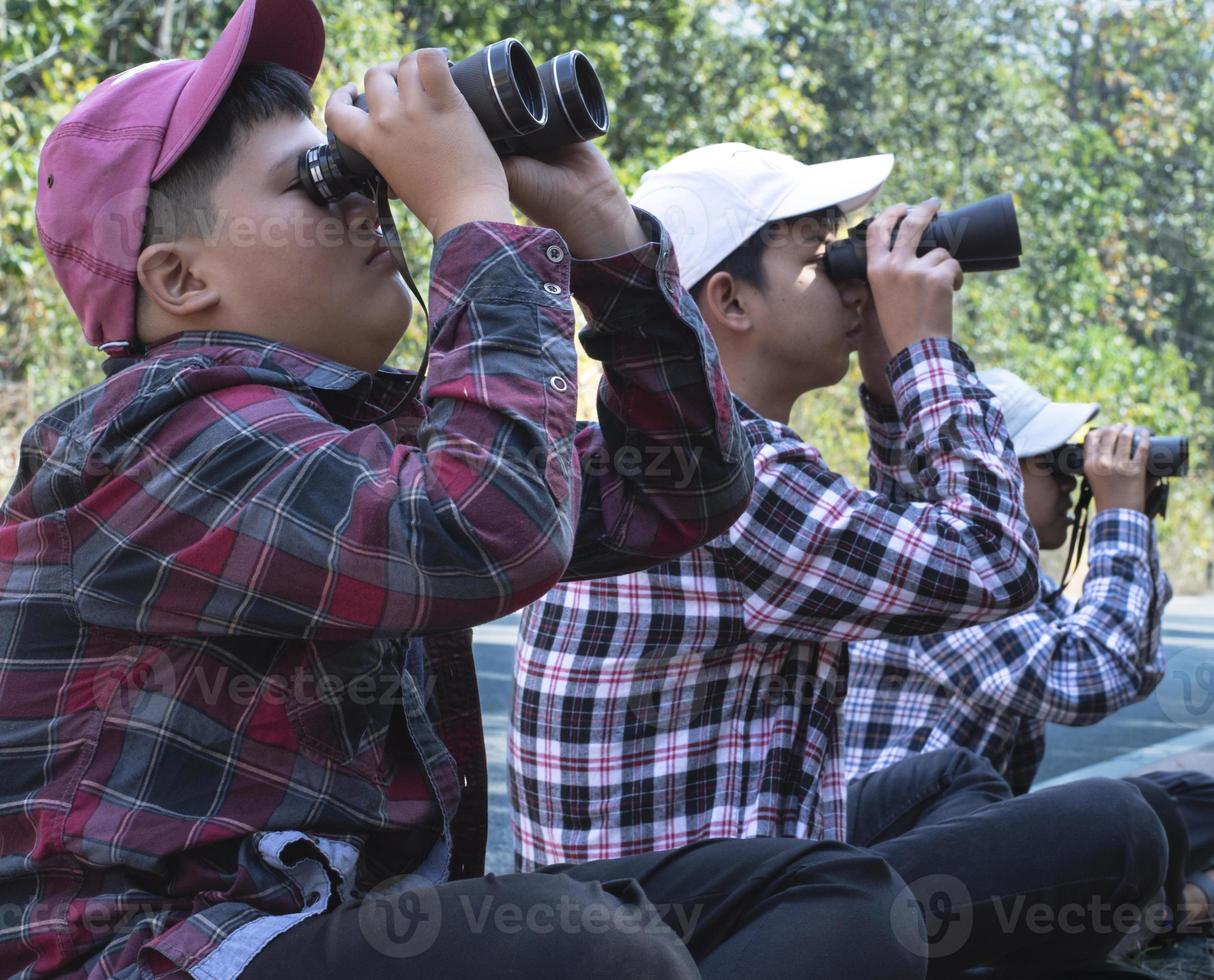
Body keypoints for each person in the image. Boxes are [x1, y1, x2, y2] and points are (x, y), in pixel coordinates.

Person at [0, 4, 929, 977]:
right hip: (145, 953)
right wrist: (472, 219)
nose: (368, 206)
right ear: (181, 276)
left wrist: (604, 233)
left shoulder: (355, 429)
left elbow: (683, 490)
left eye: (359, 177)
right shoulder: (147, 439)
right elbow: (490, 526)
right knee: (596, 950)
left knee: (830, 890)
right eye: (316, 184)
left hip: (339, 922)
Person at [510, 143, 1170, 976]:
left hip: (696, 895)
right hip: (687, 939)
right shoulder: (742, 484)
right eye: (824, 252)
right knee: (1115, 830)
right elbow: (990, 564)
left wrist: (892, 390)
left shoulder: (684, 456)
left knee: (951, 781)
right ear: (730, 300)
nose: (856, 277)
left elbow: (917, 583)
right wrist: (928, 351)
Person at [844, 367, 1214, 940]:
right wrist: (1119, 519)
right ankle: (1165, 914)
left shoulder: (1011, 584)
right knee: (1133, 819)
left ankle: (1110, 909)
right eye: (1052, 464)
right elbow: (1092, 673)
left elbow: (1133, 668)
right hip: (892, 850)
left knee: (1189, 798)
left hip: (959, 828)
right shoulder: (940, 570)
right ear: (991, 473)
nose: (1075, 486)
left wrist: (1132, 520)